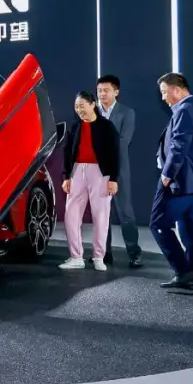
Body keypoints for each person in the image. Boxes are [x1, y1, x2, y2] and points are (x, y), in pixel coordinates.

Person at [149, 73, 193, 291]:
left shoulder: (185, 110)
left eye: (164, 92)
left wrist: (167, 174)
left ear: (177, 90)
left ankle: (183, 271)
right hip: (191, 181)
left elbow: (179, 146)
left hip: (179, 180)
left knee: (158, 224)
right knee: (188, 226)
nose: (163, 98)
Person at [59, 92, 120, 271]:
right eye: (76, 107)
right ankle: (76, 257)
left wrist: (113, 179)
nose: (79, 110)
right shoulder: (75, 126)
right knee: (71, 215)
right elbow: (67, 152)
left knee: (101, 217)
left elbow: (115, 154)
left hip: (101, 174)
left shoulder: (107, 126)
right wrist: (66, 176)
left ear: (93, 104)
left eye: (82, 106)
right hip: (77, 172)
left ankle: (98, 257)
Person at [96, 75, 142, 267]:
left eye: (106, 90)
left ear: (116, 92)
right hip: (96, 171)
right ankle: (104, 254)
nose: (102, 94)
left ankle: (134, 253)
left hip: (119, 169)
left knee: (126, 213)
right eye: (99, 90)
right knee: (101, 215)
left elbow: (123, 142)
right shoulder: (93, 111)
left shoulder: (127, 113)